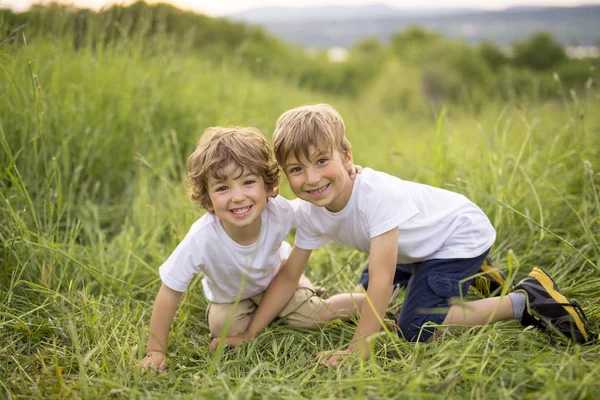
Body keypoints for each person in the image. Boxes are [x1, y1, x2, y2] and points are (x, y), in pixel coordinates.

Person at [214, 104, 594, 365]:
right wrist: (250, 333)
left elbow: (383, 279)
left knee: (414, 327)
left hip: (456, 237)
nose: (311, 178)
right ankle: (474, 279)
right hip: (417, 250)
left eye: (321, 161)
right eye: (296, 169)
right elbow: (290, 276)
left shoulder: (376, 196)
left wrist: (360, 345)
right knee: (369, 295)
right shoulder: (312, 211)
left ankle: (526, 300)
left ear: (347, 156)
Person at [140, 126, 364, 372]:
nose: (237, 197)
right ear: (208, 198)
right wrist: (155, 350)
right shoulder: (202, 238)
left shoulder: (278, 211)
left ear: (267, 187)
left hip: (279, 280)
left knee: (310, 316)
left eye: (248, 182)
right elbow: (170, 290)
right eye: (223, 188)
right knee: (224, 329)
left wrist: (347, 178)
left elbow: (319, 206)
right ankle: (269, 314)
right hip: (232, 296)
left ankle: (367, 302)